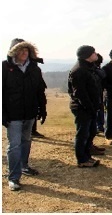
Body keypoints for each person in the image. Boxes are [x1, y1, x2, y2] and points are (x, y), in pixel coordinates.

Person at [2, 38, 47, 191]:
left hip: (30, 113)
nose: (23, 53)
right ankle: (13, 178)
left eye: (26, 50)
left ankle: (24, 166)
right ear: (13, 51)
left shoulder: (34, 68)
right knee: (14, 145)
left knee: (26, 140)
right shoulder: (4, 68)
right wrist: (3, 114)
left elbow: (40, 90)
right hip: (12, 115)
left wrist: (43, 108)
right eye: (20, 50)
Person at [68, 45, 101, 168]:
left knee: (91, 132)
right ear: (87, 55)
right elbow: (80, 93)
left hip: (90, 107)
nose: (96, 54)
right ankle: (82, 159)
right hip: (83, 108)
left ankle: (87, 156)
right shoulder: (80, 70)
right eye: (93, 52)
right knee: (82, 134)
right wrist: (89, 108)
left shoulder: (88, 68)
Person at [94, 53, 106, 134]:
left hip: (98, 92)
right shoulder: (97, 71)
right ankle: (98, 126)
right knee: (98, 110)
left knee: (99, 110)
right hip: (97, 92)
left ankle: (99, 126)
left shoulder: (96, 70)